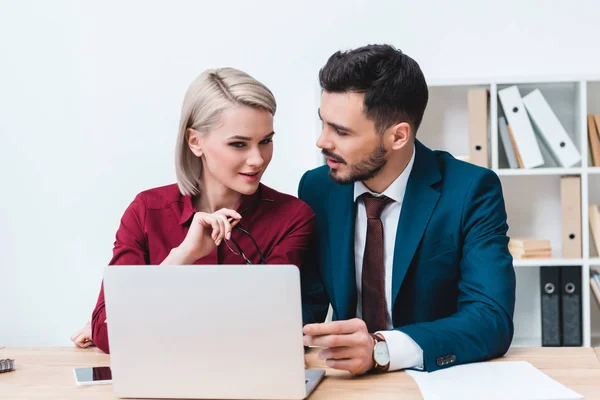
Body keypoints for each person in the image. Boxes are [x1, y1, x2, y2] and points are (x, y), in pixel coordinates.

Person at [299, 44, 516, 374]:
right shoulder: (317, 189)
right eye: (324, 124)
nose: (322, 141)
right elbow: (305, 304)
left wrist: (382, 349)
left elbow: (490, 318)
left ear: (398, 136)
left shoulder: (471, 191)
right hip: (344, 381)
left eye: (340, 131)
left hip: (435, 378)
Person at [71, 68, 315, 353]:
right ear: (195, 142)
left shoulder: (293, 218)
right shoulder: (147, 211)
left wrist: (141, 318)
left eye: (265, 141)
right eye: (238, 144)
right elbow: (108, 333)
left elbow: (271, 331)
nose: (257, 159)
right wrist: (182, 257)